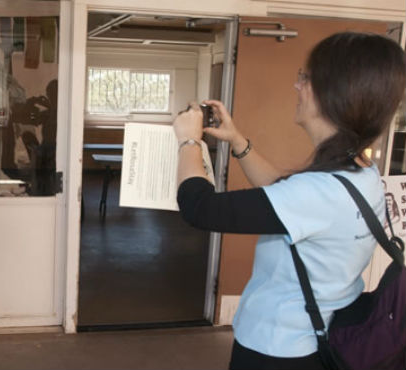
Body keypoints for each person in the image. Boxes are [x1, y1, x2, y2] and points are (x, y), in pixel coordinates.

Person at [172, 32, 406, 369]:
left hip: (278, 349)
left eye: (305, 78)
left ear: (332, 94)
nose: (297, 86)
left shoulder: (317, 193)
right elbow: (284, 197)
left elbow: (200, 208)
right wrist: (238, 141)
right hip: (322, 336)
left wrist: (188, 141)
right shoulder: (361, 172)